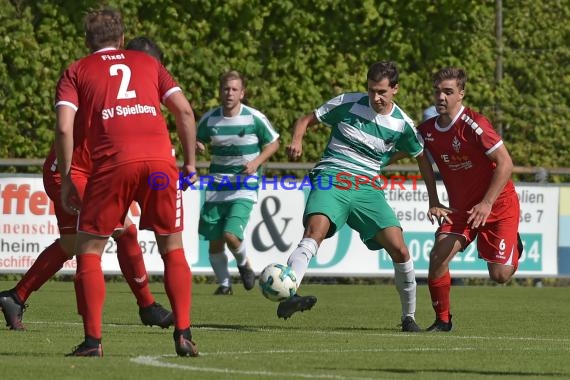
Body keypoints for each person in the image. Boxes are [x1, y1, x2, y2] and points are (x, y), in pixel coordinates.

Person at [0, 36, 174, 332]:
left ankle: (15, 296)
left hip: (81, 173)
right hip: (71, 173)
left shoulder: (116, 79)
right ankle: (145, 307)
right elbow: (69, 126)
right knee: (124, 231)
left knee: (71, 244)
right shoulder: (105, 80)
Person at [55, 9, 198, 357]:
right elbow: (184, 111)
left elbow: (63, 127)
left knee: (89, 250)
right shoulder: (148, 64)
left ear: (88, 42)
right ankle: (183, 332)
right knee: (172, 246)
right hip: (160, 162)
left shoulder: (76, 70)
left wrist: (67, 177)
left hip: (112, 163)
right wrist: (190, 162)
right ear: (121, 39)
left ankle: (93, 342)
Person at [281, 61, 440, 332]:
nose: (375, 98)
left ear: (395, 90)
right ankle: (289, 294)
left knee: (399, 248)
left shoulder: (402, 125)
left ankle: (409, 318)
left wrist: (434, 200)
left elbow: (422, 158)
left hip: (367, 187)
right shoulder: (348, 103)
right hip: (333, 175)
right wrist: (297, 138)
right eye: (371, 91)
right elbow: (306, 119)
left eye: (381, 92)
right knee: (314, 231)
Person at [417, 67, 522, 332]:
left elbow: (506, 164)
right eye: (438, 91)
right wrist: (433, 199)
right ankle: (443, 321)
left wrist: (486, 203)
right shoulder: (427, 131)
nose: (441, 97)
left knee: (499, 275)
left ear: (461, 94)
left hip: (497, 206)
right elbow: (420, 159)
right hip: (461, 209)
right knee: (438, 256)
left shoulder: (475, 125)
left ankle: (514, 246)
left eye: (448, 92)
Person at [197, 70, 280, 295]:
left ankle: (244, 265)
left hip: (244, 184)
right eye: (226, 89)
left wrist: (256, 162)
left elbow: (273, 143)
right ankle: (225, 285)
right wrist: (197, 143)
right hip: (216, 186)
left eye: (234, 89)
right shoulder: (210, 119)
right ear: (220, 92)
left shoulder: (254, 118)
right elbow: (196, 137)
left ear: (242, 93)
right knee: (214, 241)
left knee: (230, 234)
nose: (229, 93)